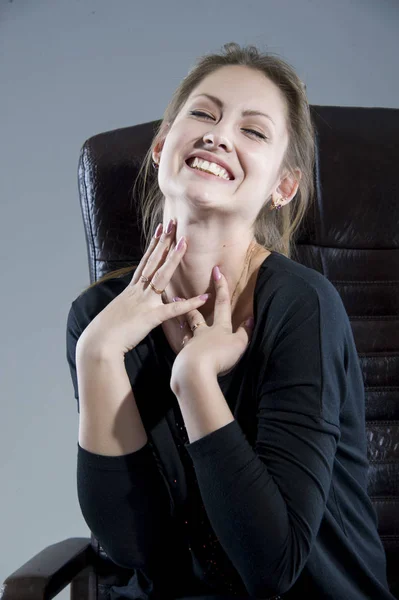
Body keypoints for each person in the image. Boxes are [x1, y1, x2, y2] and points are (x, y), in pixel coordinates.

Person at [66, 43, 395, 600]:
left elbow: (272, 567)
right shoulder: (98, 317)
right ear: (161, 144)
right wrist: (96, 355)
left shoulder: (303, 307)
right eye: (203, 113)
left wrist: (195, 381)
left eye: (255, 131)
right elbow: (137, 552)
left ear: (282, 187)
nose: (218, 135)